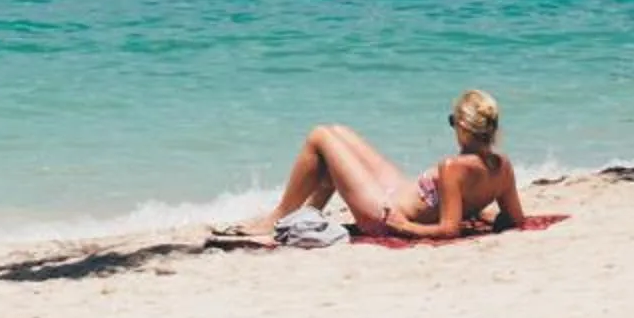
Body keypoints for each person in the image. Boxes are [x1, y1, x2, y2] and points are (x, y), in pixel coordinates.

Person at [223, 89, 524, 242]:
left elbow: (449, 230)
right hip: (398, 193)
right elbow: (515, 218)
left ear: (463, 127)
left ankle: (278, 217)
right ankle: (306, 215)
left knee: (320, 136)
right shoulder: (504, 167)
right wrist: (476, 209)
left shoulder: (452, 167)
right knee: (338, 132)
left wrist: (405, 227)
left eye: (452, 122)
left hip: (385, 215)